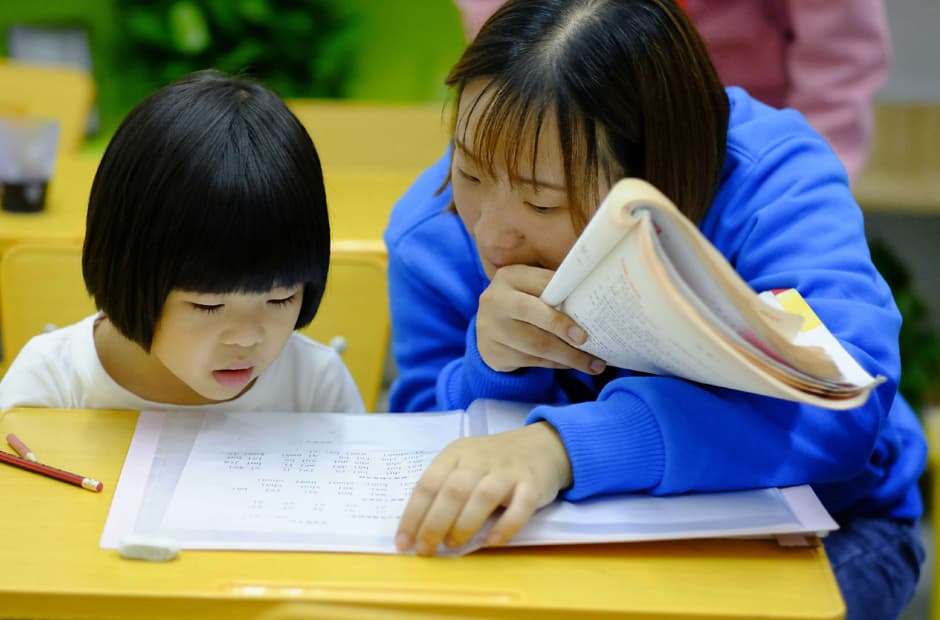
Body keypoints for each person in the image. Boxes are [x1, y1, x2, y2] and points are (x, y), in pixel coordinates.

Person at [385, 1, 924, 617]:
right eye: (470, 172)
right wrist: (492, 368)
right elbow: (424, 446)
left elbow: (840, 409)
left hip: (828, 531)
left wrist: (560, 449)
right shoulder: (431, 235)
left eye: (542, 204)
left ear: (659, 175)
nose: (494, 235)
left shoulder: (773, 183)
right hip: (563, 547)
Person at [0, 70, 365, 414]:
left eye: (281, 298)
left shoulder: (317, 388)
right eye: (207, 305)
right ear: (127, 272)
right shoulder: (52, 385)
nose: (246, 338)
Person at [452, 0, 892, 182]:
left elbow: (840, 58)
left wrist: (804, 182)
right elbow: (509, 35)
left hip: (747, 156)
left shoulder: (771, 178)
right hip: (571, 143)